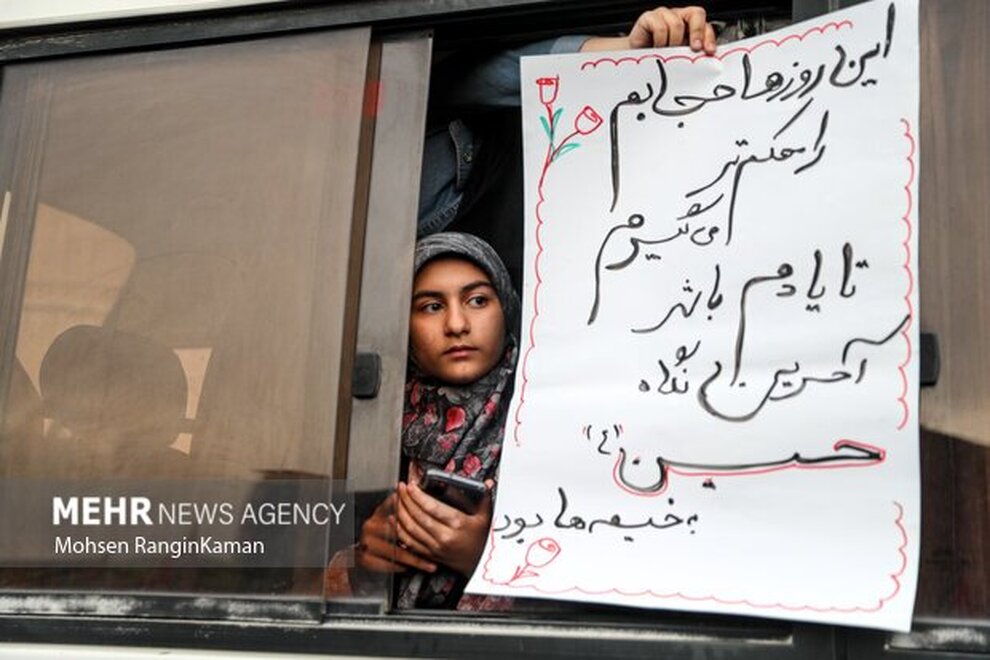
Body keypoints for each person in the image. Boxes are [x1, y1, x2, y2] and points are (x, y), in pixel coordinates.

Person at [332, 7, 719, 609]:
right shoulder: (362, 421)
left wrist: (490, 553)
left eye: (477, 300)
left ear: (510, 311)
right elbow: (299, 571)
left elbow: (623, 562)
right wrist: (364, 559)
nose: (456, 324)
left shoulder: (555, 411)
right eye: (429, 306)